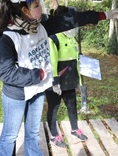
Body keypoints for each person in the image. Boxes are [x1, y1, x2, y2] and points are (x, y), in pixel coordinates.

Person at [0, 0, 118, 156]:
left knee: (33, 133)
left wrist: (104, 15)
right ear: (25, 10)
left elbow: (71, 20)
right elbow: (4, 72)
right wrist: (37, 75)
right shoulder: (9, 37)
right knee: (10, 135)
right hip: (16, 94)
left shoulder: (42, 25)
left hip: (37, 90)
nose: (41, 8)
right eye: (37, 5)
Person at [45, 11, 87, 148]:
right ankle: (53, 135)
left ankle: (75, 129)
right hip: (55, 81)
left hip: (70, 80)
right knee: (54, 107)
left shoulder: (72, 38)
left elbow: (75, 58)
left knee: (72, 105)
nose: (75, 28)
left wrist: (80, 80)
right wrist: (55, 81)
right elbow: (51, 61)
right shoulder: (54, 38)